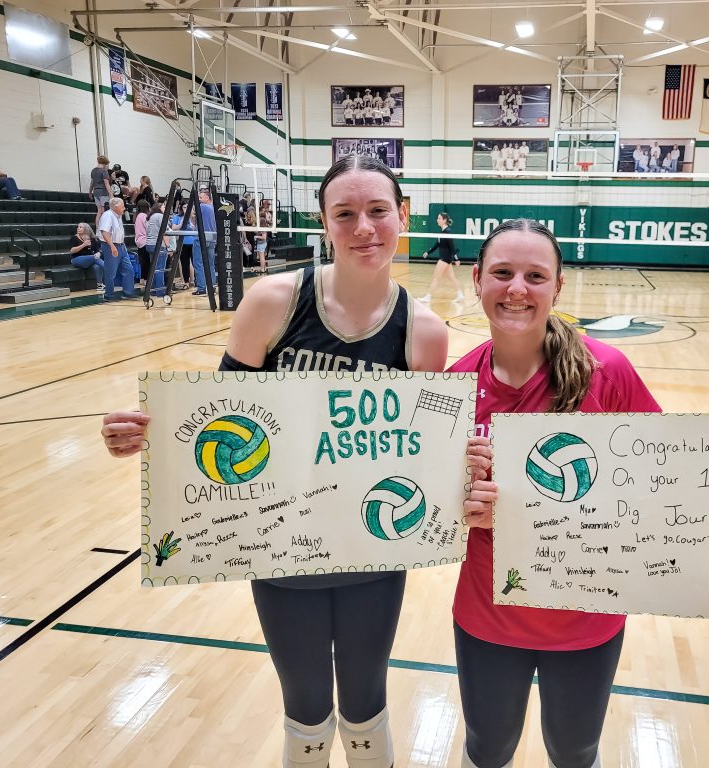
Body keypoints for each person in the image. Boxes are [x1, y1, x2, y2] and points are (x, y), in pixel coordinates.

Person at [451, 219, 709, 768]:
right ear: (477, 279)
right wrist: (464, 512)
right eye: (503, 273)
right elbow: (439, 514)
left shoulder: (606, 372)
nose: (518, 288)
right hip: (488, 619)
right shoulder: (456, 388)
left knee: (575, 751)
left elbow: (676, 483)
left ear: (557, 287)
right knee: (486, 749)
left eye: (535, 275)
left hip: (587, 620)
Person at [100, 155, 448, 768]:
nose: (364, 227)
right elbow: (224, 425)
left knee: (366, 704)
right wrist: (146, 438)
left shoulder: (424, 331)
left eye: (378, 211)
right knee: (307, 706)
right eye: (345, 214)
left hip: (375, 543)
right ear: (323, 223)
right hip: (282, 550)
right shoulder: (274, 302)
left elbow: (420, 457)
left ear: (403, 216)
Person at [98, 197, 136, 302]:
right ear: (115, 206)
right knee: (111, 272)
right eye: (122, 205)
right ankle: (109, 295)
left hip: (121, 246)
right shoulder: (108, 215)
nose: (124, 207)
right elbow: (104, 232)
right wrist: (112, 246)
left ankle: (128, 293)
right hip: (110, 245)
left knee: (128, 269)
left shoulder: (118, 216)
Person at [421, 212, 462, 302]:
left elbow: (452, 246)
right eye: (437, 218)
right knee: (451, 277)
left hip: (445, 258)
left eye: (439, 218)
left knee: (435, 277)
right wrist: (428, 252)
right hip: (446, 259)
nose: (437, 220)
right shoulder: (442, 232)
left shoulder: (448, 232)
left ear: (444, 220)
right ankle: (460, 295)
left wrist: (456, 259)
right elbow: (437, 244)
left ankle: (428, 296)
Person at [191, 189, 217, 297]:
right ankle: (212, 286)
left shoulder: (201, 207)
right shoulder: (214, 208)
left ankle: (201, 288)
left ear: (207, 198)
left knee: (198, 263)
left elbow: (192, 215)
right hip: (212, 239)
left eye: (201, 197)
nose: (199, 199)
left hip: (201, 238)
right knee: (210, 264)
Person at [68, 222, 104, 289]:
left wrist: (99, 253)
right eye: (78, 227)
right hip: (77, 259)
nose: (78, 228)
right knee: (95, 257)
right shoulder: (74, 238)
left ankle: (99, 284)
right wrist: (83, 245)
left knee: (97, 266)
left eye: (80, 227)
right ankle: (109, 270)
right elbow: (72, 251)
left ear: (86, 229)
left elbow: (98, 250)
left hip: (90, 260)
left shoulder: (93, 239)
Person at [90, 156, 113, 230]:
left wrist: (90, 192)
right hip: (103, 192)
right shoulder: (104, 171)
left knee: (99, 211)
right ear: (105, 163)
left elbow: (92, 182)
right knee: (104, 211)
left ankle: (98, 228)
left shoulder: (93, 170)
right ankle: (104, 228)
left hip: (96, 192)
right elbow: (106, 183)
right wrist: (111, 194)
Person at [133, 200, 150, 285]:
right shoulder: (144, 216)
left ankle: (142, 279)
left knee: (142, 261)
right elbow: (148, 228)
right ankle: (146, 279)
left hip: (139, 241)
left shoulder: (137, 216)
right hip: (145, 240)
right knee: (147, 262)